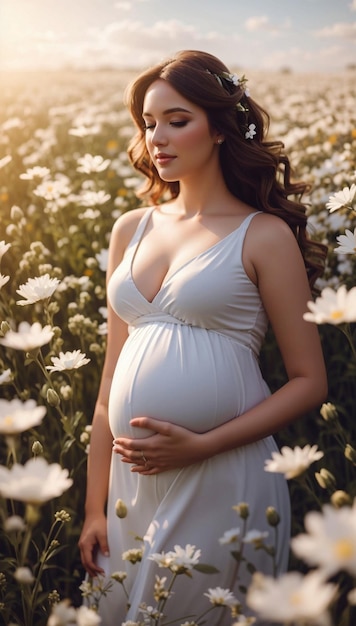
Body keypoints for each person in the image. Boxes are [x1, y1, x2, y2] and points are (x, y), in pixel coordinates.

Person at [78, 50, 327, 625]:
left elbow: (310, 381)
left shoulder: (262, 234)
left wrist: (202, 445)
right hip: (128, 484)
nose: (156, 137)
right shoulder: (131, 228)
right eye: (148, 122)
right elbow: (109, 381)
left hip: (223, 475)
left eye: (177, 120)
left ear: (218, 127)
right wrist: (94, 508)